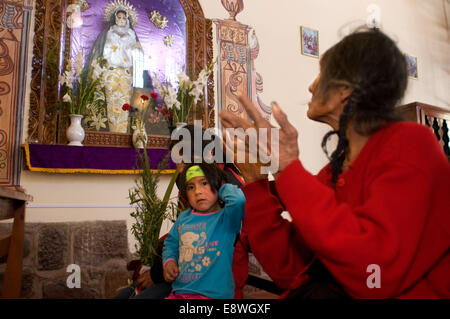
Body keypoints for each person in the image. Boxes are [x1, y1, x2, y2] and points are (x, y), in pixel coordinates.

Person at [219, 28, 450, 298]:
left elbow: (375, 274)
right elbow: (288, 268)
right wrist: (257, 182)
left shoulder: (413, 144)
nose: (312, 85)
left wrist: (287, 169)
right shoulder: (334, 172)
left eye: (321, 72)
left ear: (345, 89)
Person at [114, 124, 250, 299]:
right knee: (125, 294)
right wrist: (161, 264)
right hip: (183, 274)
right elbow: (182, 231)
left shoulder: (228, 189)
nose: (180, 168)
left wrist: (156, 275)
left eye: (185, 160)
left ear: (208, 154)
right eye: (178, 162)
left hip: (211, 281)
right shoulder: (189, 182)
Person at [162, 163, 245, 298]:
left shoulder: (227, 218)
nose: (197, 191)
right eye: (191, 187)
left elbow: (238, 200)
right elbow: (171, 244)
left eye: (204, 183)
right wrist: (169, 261)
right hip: (180, 292)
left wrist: (222, 186)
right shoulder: (184, 218)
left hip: (214, 295)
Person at [87, 0, 143, 133]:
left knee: (124, 103)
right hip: (111, 72)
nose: (121, 20)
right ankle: (112, 132)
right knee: (112, 102)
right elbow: (105, 51)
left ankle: (122, 132)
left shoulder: (131, 34)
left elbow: (136, 54)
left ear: (127, 19)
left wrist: (131, 48)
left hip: (125, 74)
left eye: (124, 18)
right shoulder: (110, 32)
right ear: (115, 18)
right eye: (119, 17)